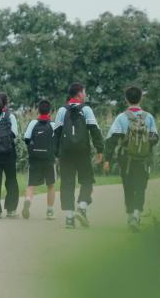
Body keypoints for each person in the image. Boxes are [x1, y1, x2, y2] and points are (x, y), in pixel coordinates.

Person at [103, 86, 159, 232]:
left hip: (125, 159)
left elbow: (111, 140)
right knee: (141, 187)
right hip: (144, 160)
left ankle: (129, 217)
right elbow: (155, 138)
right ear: (141, 98)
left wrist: (107, 159)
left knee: (128, 186)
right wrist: (143, 145)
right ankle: (136, 215)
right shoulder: (149, 117)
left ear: (126, 99)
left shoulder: (121, 117)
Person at [54, 83, 104, 229]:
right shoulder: (86, 109)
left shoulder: (62, 110)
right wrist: (100, 150)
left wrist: (56, 154)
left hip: (66, 153)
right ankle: (82, 207)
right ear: (79, 94)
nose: (85, 95)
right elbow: (95, 130)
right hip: (83, 152)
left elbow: (56, 134)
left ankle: (69, 219)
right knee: (87, 180)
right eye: (84, 92)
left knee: (67, 184)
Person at [22, 99, 57, 220]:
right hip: (48, 159)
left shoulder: (33, 123)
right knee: (51, 185)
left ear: (38, 110)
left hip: (34, 158)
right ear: (50, 112)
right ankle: (50, 211)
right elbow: (56, 142)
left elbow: (26, 139)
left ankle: (27, 201)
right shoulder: (53, 125)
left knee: (31, 184)